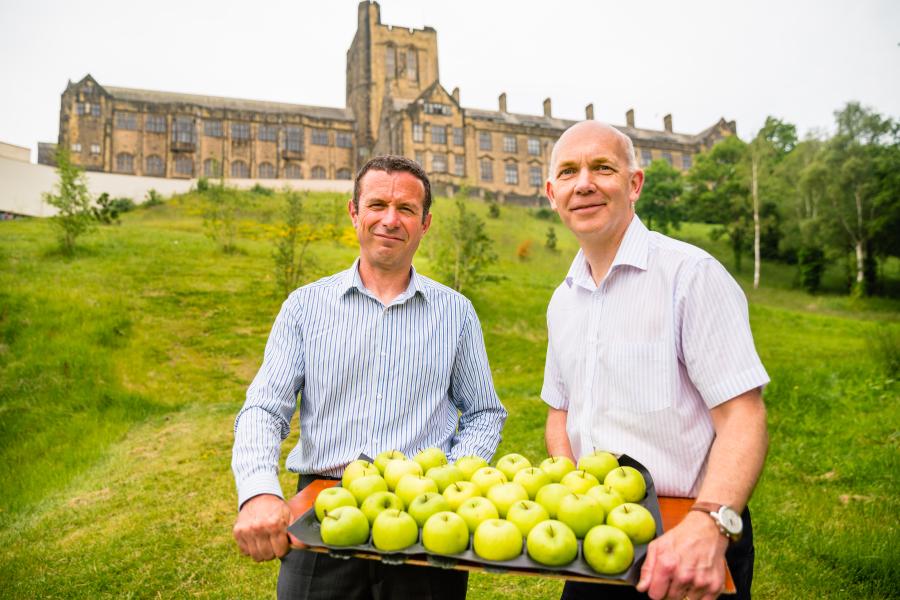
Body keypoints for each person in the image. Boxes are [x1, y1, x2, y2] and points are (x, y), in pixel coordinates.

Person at [231, 155, 507, 600]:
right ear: (354, 212)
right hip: (325, 512)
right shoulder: (305, 306)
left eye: (407, 209)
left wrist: (450, 479)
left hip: (427, 519)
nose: (390, 220)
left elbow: (484, 413)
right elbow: (264, 408)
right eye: (377, 204)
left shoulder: (456, 312)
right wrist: (259, 491)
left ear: (426, 223)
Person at [541, 121, 769, 600]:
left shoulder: (690, 275)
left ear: (634, 183)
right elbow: (560, 412)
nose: (584, 183)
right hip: (594, 530)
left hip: (688, 529)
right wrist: (568, 488)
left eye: (602, 167)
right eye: (568, 172)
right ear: (551, 192)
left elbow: (743, 416)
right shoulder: (562, 301)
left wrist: (711, 524)